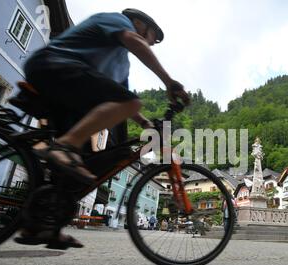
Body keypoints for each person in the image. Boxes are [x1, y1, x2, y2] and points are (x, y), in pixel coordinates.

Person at [14, 9, 190, 249]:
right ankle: (65, 145)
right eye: (150, 36)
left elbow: (123, 103)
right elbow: (132, 56)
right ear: (138, 23)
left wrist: (146, 124)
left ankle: (45, 227)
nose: (149, 43)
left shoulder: (120, 64)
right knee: (125, 106)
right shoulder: (117, 21)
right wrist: (169, 82)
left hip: (68, 92)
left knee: (79, 166)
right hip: (53, 66)